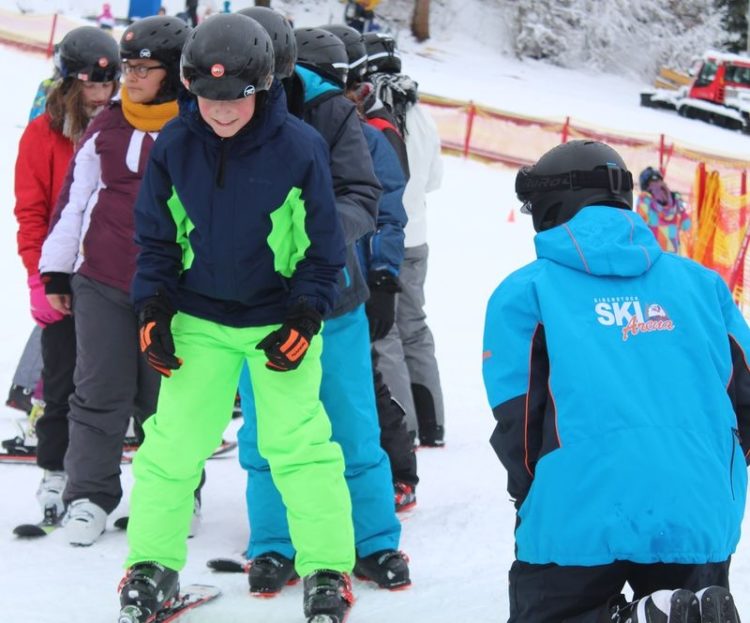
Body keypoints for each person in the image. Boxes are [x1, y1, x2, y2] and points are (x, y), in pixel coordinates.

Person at [117, 14, 355, 623]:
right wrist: (153, 308)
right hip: (199, 316)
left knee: (297, 444)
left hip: (277, 318)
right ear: (191, 87)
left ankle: (327, 569)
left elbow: (323, 250)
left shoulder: (299, 148)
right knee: (170, 446)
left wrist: (305, 317)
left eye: (237, 99)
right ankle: (151, 567)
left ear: (264, 86)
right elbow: (157, 239)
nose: (222, 112)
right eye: (208, 98)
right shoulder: (175, 142)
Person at [483, 139, 748, 623]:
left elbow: (519, 417)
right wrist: (721, 476)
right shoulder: (704, 286)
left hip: (577, 503)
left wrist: (533, 495)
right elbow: (745, 397)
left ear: (549, 207)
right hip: (697, 501)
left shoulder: (525, 293)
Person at [233, 10, 409, 595]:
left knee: (352, 423)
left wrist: (313, 237)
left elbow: (364, 193)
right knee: (266, 432)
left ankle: (374, 539)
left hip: (332, 298)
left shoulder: (329, 109)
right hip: (252, 307)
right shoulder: (217, 108)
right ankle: (274, 543)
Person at [38, 16, 189, 546]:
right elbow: (75, 200)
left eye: (144, 68)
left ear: (172, 73)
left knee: (164, 400)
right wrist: (57, 268)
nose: (131, 77)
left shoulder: (196, 126)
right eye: (129, 66)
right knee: (98, 391)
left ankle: (172, 494)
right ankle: (88, 497)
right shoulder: (107, 124)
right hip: (101, 278)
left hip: (172, 289)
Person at [11, 26, 119, 518]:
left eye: (107, 85)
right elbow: (31, 209)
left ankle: (102, 473)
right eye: (90, 86)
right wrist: (40, 275)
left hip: (114, 271)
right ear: (69, 84)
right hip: (63, 275)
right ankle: (55, 472)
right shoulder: (44, 133)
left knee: (116, 382)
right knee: (61, 381)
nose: (100, 95)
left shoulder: (123, 125)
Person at [323, 22, 419, 511]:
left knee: (364, 381)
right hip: (315, 286)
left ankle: (399, 469)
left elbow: (389, 215)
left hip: (353, 283)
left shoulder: (370, 137)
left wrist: (383, 278)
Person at [364, 32, 446, 448]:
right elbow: (433, 179)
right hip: (418, 235)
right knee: (414, 326)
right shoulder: (420, 113)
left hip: (385, 237)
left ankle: (404, 427)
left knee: (385, 333)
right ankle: (432, 421)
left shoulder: (372, 111)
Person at [636, 166, 691, 255]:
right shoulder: (676, 199)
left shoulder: (644, 199)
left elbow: (640, 224)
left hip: (654, 255)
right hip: (673, 257)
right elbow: (686, 225)